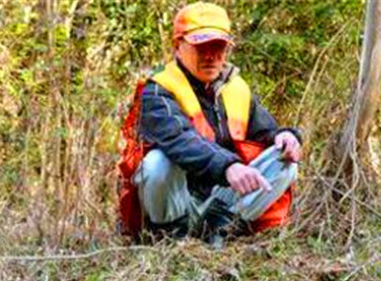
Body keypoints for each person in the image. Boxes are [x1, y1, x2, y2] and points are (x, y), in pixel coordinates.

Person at [118, 2, 302, 248]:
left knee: (284, 161)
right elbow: (180, 139)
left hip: (220, 202)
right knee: (156, 163)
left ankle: (220, 232)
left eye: (218, 47)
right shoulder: (157, 90)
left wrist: (287, 136)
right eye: (201, 47)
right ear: (178, 46)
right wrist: (229, 166)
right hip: (178, 201)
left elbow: (265, 132)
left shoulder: (236, 88)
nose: (211, 56)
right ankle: (170, 240)